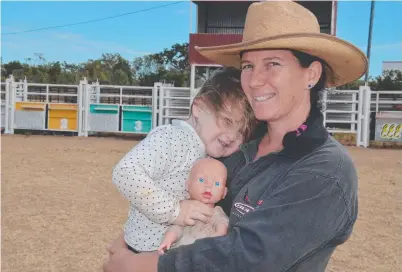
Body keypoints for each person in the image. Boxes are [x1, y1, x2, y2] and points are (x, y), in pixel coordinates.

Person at [103, 1, 368, 272]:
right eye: (247, 66)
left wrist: (140, 266)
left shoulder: (325, 171)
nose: (254, 81)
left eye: (272, 64)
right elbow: (184, 193)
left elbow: (247, 259)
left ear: (311, 74)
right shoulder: (236, 145)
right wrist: (130, 243)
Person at [109, 67, 257, 254]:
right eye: (227, 121)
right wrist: (175, 211)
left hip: (171, 250)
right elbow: (126, 172)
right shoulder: (174, 138)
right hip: (146, 250)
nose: (231, 136)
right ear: (198, 107)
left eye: (241, 133)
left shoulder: (206, 153)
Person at [157, 157, 229, 255]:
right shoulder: (185, 209)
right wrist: (168, 239)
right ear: (187, 185)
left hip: (202, 255)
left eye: (216, 183)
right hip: (179, 254)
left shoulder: (215, 212)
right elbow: (176, 228)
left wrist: (216, 238)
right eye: (201, 179)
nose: (208, 185)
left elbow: (222, 225)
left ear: (224, 193)